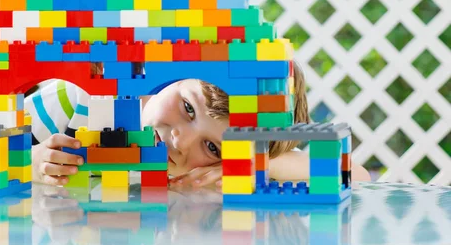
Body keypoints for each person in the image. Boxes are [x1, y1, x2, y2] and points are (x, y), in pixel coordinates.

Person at [28, 61, 370, 187]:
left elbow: (356, 174)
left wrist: (251, 164)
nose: (180, 140)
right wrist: (30, 163)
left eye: (211, 146)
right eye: (189, 108)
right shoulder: (81, 98)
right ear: (176, 74)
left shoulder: (206, 172)